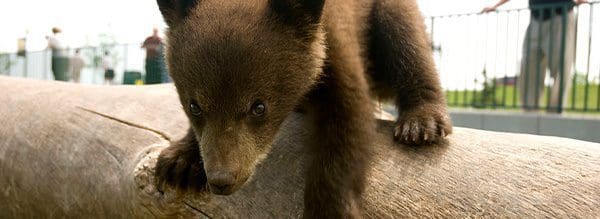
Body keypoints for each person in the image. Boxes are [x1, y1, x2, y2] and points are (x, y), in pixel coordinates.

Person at [482, 0, 587, 112]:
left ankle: (555, 112)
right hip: (536, 17)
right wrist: (496, 5)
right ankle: (529, 111)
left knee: (561, 68)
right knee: (528, 66)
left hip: (561, 15)